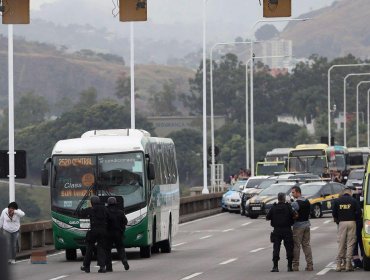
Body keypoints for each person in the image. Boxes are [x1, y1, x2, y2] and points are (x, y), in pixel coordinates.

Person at [332, 187, 362, 272]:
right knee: (350, 243)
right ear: (350, 193)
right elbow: (359, 212)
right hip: (352, 222)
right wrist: (355, 219)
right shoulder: (353, 200)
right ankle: (348, 265)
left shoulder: (337, 201)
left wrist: (338, 221)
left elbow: (334, 213)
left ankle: (338, 264)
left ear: (343, 193)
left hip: (342, 223)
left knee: (341, 243)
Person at [266, 192, 296, 272]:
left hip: (277, 230)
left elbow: (267, 217)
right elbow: (295, 215)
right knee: (289, 248)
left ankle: (275, 267)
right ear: (284, 198)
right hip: (287, 230)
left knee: (276, 248)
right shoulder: (288, 206)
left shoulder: (274, 207)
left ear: (278, 198)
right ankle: (290, 267)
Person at [79, 195, 109, 273]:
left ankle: (86, 267)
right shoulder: (105, 209)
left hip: (93, 231)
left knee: (89, 248)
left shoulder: (91, 209)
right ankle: (102, 267)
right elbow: (109, 217)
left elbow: (81, 213)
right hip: (103, 231)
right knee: (101, 248)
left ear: (92, 202)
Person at [291, 186, 313, 271]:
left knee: (296, 246)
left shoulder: (296, 203)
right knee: (306, 245)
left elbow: (291, 212)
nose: (292, 194)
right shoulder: (307, 201)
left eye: (293, 192)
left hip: (298, 226)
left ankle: (295, 266)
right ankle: (310, 265)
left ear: (298, 192)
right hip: (307, 225)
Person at [105, 196, 129, 272]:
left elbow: (104, 223)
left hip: (108, 234)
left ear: (108, 203)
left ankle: (109, 267)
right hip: (118, 233)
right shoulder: (120, 212)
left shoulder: (106, 212)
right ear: (115, 203)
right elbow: (125, 222)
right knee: (120, 249)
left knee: (108, 250)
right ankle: (124, 261)